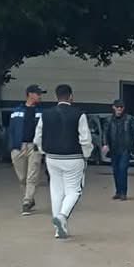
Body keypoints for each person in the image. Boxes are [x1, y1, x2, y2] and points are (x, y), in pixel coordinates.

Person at [34, 84, 92, 239]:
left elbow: (38, 136)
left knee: (56, 190)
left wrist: (43, 150)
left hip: (52, 157)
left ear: (56, 96)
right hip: (73, 157)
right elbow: (85, 139)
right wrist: (86, 154)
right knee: (74, 190)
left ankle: (58, 229)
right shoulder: (79, 114)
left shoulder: (45, 114)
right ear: (71, 96)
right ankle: (62, 216)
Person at [7, 84, 45, 215]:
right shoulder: (17, 111)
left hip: (34, 147)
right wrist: (12, 147)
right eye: (38, 93)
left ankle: (27, 201)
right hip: (18, 147)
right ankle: (29, 198)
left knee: (32, 176)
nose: (40, 96)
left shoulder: (42, 112)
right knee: (22, 177)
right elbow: (11, 130)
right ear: (30, 94)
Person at [101, 99, 134, 201]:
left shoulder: (129, 119)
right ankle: (118, 191)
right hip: (114, 149)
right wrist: (105, 144)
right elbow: (105, 133)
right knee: (116, 170)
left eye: (121, 107)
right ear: (113, 107)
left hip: (125, 148)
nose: (119, 109)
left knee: (122, 170)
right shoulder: (109, 120)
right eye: (117, 107)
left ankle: (123, 193)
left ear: (123, 108)